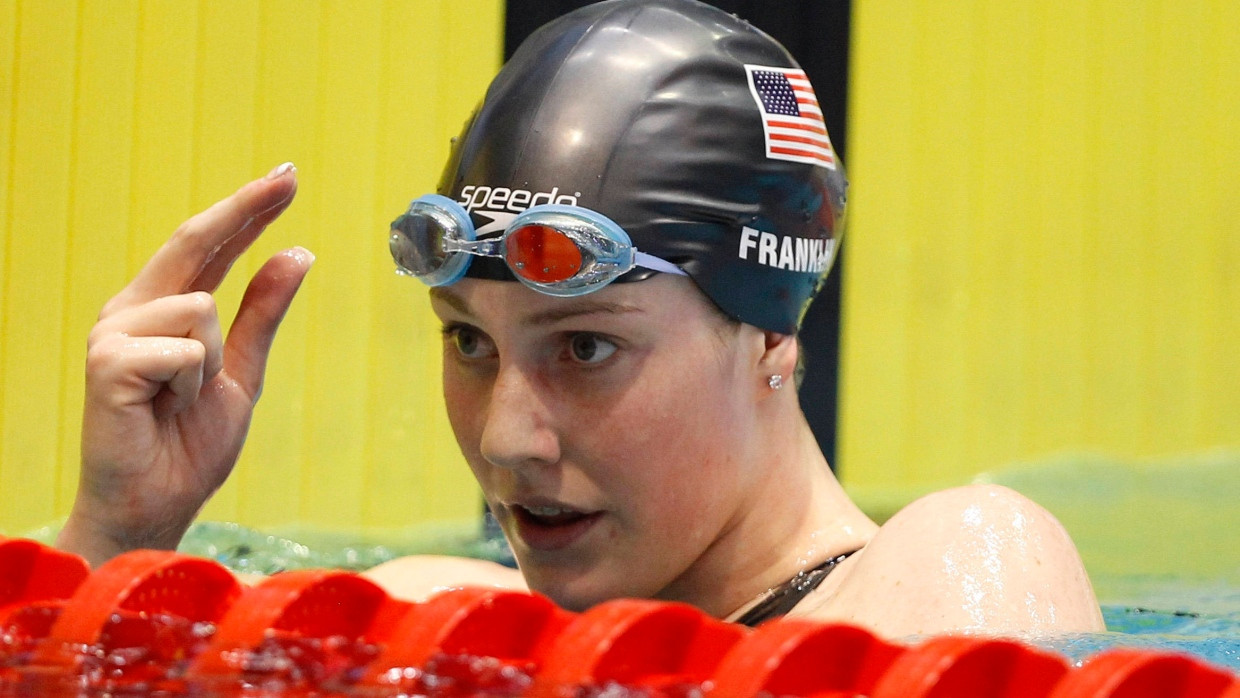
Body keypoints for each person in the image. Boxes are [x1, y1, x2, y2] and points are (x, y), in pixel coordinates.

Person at [56, 0, 1103, 637]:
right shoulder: (430, 608)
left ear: (771, 333)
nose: (506, 438)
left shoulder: (952, 564)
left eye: (586, 346)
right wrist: (119, 534)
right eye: (468, 340)